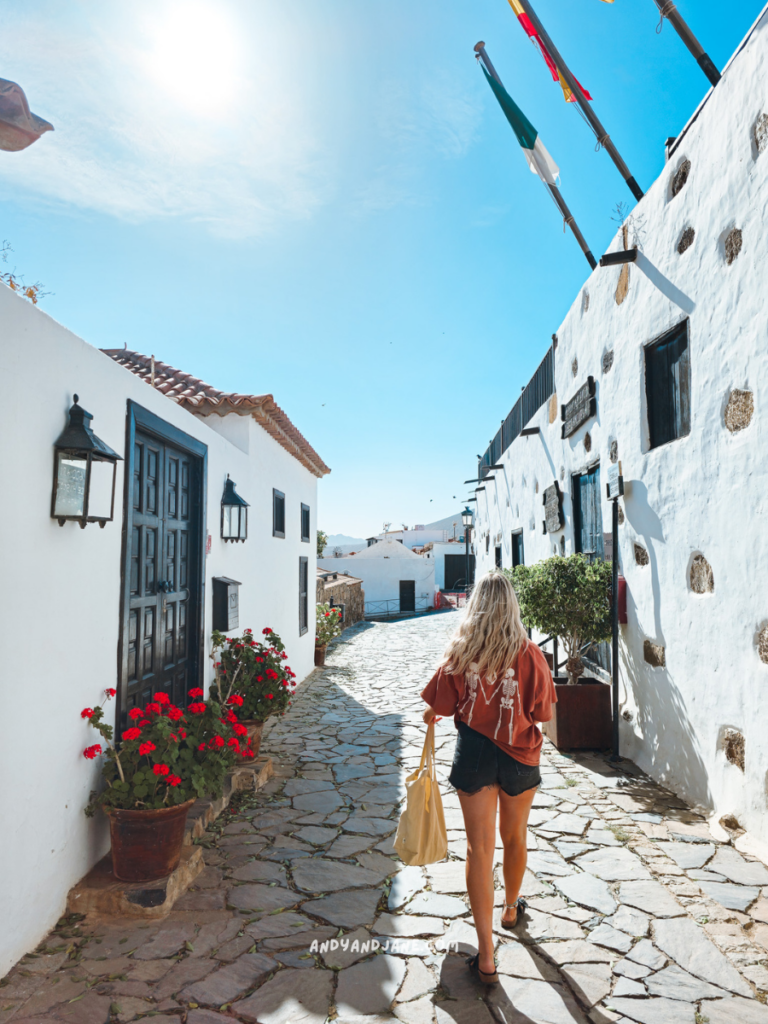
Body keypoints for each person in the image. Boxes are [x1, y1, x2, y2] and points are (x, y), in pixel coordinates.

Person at [420, 570, 556, 984]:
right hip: (520, 757)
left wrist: (435, 714)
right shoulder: (530, 653)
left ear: (477, 606)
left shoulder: (460, 652)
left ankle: (486, 956)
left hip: (474, 756)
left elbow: (439, 702)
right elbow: (543, 714)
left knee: (479, 851)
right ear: (511, 607)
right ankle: (511, 907)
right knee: (514, 838)